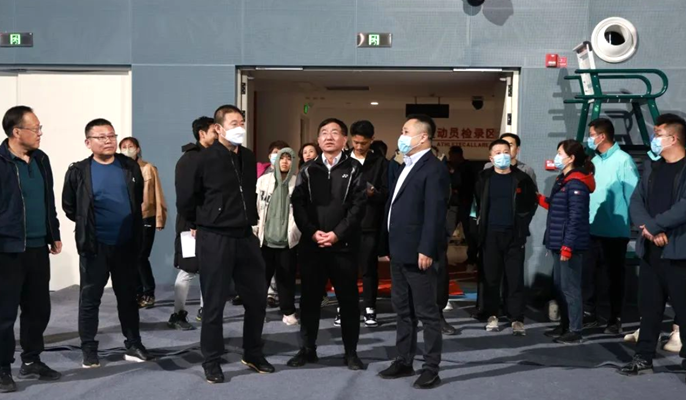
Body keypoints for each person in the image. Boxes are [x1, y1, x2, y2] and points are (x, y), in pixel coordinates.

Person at [176, 105, 273, 383]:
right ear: (218, 128)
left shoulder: (247, 156)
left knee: (257, 300)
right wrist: (204, 221)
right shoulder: (201, 159)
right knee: (214, 303)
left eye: (242, 122)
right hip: (215, 236)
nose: (240, 127)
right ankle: (211, 360)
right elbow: (186, 200)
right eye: (233, 123)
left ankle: (253, 352)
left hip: (245, 235)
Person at [62, 118, 153, 369]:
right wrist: (89, 224)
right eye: (101, 137)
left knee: (128, 297)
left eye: (112, 136)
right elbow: (70, 206)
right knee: (90, 299)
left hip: (126, 245)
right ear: (88, 142)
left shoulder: (129, 166)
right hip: (95, 246)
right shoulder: (79, 171)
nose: (108, 141)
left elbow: (136, 199)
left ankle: (133, 343)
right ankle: (89, 349)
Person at [377, 115, 449, 389]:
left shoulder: (434, 169)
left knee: (427, 313)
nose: (402, 136)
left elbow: (435, 213)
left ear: (423, 137)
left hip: (419, 253)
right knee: (402, 309)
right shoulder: (405, 165)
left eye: (406, 131)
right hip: (398, 251)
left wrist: (426, 248)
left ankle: (431, 368)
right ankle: (404, 360)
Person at [289, 118, 366, 370]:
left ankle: (351, 352)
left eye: (335, 133)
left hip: (343, 247)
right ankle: (307, 349)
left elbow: (358, 207)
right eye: (324, 133)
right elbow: (298, 204)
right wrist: (312, 233)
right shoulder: (308, 169)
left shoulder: (354, 169)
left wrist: (337, 234)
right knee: (309, 300)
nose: (328, 137)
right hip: (312, 246)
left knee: (348, 301)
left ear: (344, 139)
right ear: (318, 139)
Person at [0, 106, 62, 393]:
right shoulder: (1, 161)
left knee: (38, 308)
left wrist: (54, 232)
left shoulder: (41, 159)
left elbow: (48, 199)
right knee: (4, 313)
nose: (39, 133)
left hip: (38, 247)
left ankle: (32, 360)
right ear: (16, 131)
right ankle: (2, 368)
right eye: (35, 128)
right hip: (7, 249)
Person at [619, 113, 686, 376]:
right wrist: (648, 229)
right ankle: (643, 357)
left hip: (679, 251)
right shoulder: (652, 167)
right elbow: (636, 200)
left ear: (674, 138)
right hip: (650, 249)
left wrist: (655, 226)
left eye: (658, 134)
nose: (653, 139)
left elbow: (683, 207)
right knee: (649, 307)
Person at [473, 139, 537, 335]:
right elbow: (477, 204)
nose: (502, 155)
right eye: (497, 152)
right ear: (491, 158)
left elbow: (530, 204)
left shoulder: (521, 179)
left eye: (505, 151)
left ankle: (516, 318)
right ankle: (492, 315)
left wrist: (522, 224)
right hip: (490, 234)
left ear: (512, 154)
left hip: (514, 235)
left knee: (514, 278)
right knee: (491, 278)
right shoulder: (483, 178)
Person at [582, 118, 639, 334]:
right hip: (591, 228)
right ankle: (589, 315)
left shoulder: (623, 160)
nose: (589, 139)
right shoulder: (594, 161)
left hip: (614, 231)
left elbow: (633, 196)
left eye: (591, 135)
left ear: (602, 136)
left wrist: (636, 224)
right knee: (588, 275)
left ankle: (615, 318)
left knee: (614, 278)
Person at [540, 140, 595, 344]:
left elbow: (575, 218)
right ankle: (565, 324)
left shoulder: (576, 183)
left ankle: (575, 329)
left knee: (570, 288)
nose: (556, 157)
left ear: (571, 158)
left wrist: (568, 245)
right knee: (560, 286)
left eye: (560, 153)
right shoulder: (563, 180)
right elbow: (557, 207)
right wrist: (538, 198)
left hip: (569, 244)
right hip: (557, 241)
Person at [169, 116, 216, 330]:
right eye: (214, 131)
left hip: (210, 224)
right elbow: (185, 197)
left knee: (209, 269)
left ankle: (205, 311)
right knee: (188, 270)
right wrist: (193, 223)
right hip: (191, 224)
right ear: (202, 133)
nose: (218, 135)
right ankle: (178, 314)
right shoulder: (189, 159)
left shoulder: (214, 156)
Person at [118, 137, 168, 309]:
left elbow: (158, 194)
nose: (127, 149)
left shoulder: (148, 168)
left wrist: (160, 218)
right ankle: (137, 292)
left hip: (146, 216)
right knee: (131, 257)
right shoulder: (119, 169)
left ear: (138, 149)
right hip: (127, 219)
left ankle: (148, 292)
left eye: (130, 146)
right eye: (124, 147)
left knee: (141, 256)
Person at [348, 120, 388, 328]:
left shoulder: (380, 163)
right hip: (345, 224)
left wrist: (374, 193)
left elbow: (386, 193)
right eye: (355, 142)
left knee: (368, 268)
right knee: (346, 268)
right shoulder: (343, 160)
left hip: (370, 223)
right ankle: (345, 307)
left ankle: (370, 307)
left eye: (363, 143)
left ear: (372, 140)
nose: (359, 146)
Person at [254, 147, 301, 325]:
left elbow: (302, 211)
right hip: (264, 240)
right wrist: (255, 229)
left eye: (289, 158)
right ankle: (258, 311)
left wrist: (296, 232)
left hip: (287, 241)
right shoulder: (263, 181)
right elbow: (255, 206)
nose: (285, 162)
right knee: (261, 279)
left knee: (286, 279)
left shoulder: (298, 183)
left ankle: (288, 311)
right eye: (282, 158)